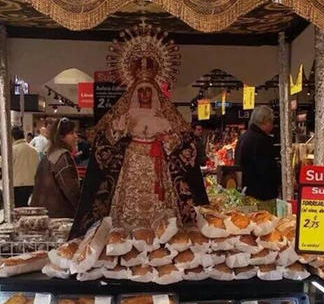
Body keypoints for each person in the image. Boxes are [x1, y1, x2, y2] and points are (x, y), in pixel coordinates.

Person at [69, 29, 208, 238]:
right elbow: (105, 140)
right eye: (140, 90)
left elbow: (183, 140)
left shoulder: (165, 117)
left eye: (148, 90)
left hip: (157, 165)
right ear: (135, 92)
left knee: (160, 203)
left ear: (154, 93)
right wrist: (118, 130)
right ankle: (127, 238)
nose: (144, 94)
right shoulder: (126, 114)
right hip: (131, 163)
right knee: (128, 202)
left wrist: (167, 140)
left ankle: (161, 237)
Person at [31, 118, 80, 218]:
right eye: (71, 133)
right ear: (61, 136)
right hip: (58, 217)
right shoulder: (63, 157)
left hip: (42, 214)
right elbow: (72, 191)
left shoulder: (49, 155)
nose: (76, 136)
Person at [235, 105, 280, 201]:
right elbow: (266, 170)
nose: (272, 125)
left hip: (246, 191)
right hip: (260, 195)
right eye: (271, 121)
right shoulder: (261, 140)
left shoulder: (244, 137)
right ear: (265, 121)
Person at [11, 126, 39, 207]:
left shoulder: (13, 150)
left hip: (17, 184)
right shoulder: (34, 150)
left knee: (19, 208)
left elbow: (5, 165)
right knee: (26, 207)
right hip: (32, 184)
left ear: (12, 137)